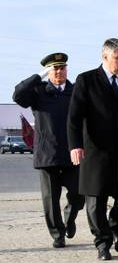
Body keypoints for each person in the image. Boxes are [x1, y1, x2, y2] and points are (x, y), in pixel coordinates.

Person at [67, 38, 118, 261]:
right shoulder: (86, 80)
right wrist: (75, 145)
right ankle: (103, 242)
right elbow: (74, 117)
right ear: (105, 57)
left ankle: (117, 229)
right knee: (96, 199)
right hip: (95, 150)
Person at [12, 52, 85, 249]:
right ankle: (57, 234)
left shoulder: (75, 90)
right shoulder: (38, 91)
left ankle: (69, 217)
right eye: (55, 68)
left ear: (67, 69)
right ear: (49, 70)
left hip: (72, 152)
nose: (59, 71)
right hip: (48, 154)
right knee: (50, 200)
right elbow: (18, 95)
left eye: (62, 67)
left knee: (79, 196)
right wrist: (39, 76)